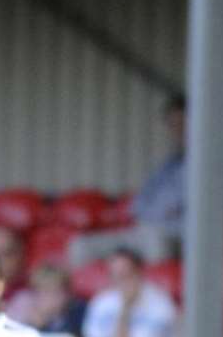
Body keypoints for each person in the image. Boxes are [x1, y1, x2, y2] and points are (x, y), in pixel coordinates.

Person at [69, 96, 188, 267]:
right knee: (81, 245)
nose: (178, 131)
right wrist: (166, 209)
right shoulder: (169, 164)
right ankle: (108, 295)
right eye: (173, 125)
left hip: (180, 239)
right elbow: (138, 205)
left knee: (156, 242)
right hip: (145, 232)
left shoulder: (216, 164)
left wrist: (164, 209)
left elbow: (198, 208)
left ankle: (147, 294)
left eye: (183, 124)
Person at [81, 247, 178, 337]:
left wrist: (125, 308)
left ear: (139, 272)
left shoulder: (160, 305)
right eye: (115, 275)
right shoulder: (102, 301)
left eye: (125, 275)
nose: (119, 281)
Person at [5, 264, 86, 337]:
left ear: (67, 294)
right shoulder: (24, 307)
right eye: (45, 291)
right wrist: (34, 324)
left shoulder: (77, 312)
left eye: (55, 292)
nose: (50, 298)